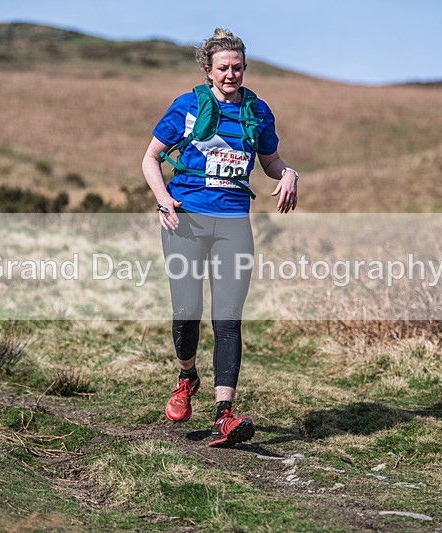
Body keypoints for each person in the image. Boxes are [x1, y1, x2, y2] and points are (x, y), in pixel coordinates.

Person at [141, 28, 299, 448]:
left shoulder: (257, 111)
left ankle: (224, 417)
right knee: (187, 311)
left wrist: (289, 175)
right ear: (209, 70)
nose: (231, 74)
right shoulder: (188, 106)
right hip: (186, 221)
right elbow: (150, 157)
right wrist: (162, 200)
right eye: (223, 68)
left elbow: (270, 162)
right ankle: (186, 376)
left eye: (237, 67)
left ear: (245, 68)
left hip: (232, 224)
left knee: (228, 319)